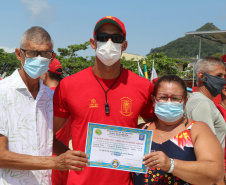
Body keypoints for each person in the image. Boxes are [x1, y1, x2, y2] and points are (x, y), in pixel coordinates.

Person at [53, 16, 155, 185]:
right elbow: (48, 134)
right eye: (102, 38)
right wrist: (68, 155)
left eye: (116, 39)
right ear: (93, 43)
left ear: (125, 45)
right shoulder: (68, 85)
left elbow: (157, 130)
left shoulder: (143, 87)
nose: (109, 43)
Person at [0, 26, 88, 185]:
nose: (39, 58)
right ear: (19, 54)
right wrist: (55, 163)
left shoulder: (50, 96)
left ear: (52, 56)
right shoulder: (3, 93)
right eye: (32, 53)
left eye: (45, 53)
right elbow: (1, 156)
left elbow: (48, 141)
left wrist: (81, 159)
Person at [133, 75, 224, 184]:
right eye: (163, 97)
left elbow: (216, 173)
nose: (169, 102)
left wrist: (171, 164)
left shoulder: (197, 130)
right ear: (153, 100)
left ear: (185, 102)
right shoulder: (141, 130)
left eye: (175, 98)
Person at [41, 58, 71, 185]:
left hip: (49, 161)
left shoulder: (45, 98)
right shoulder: (65, 97)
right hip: (64, 157)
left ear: (45, 74)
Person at [185, 56, 226, 149]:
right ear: (202, 76)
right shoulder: (202, 103)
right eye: (219, 76)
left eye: (224, 76)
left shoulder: (199, 100)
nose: (223, 80)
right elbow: (206, 145)